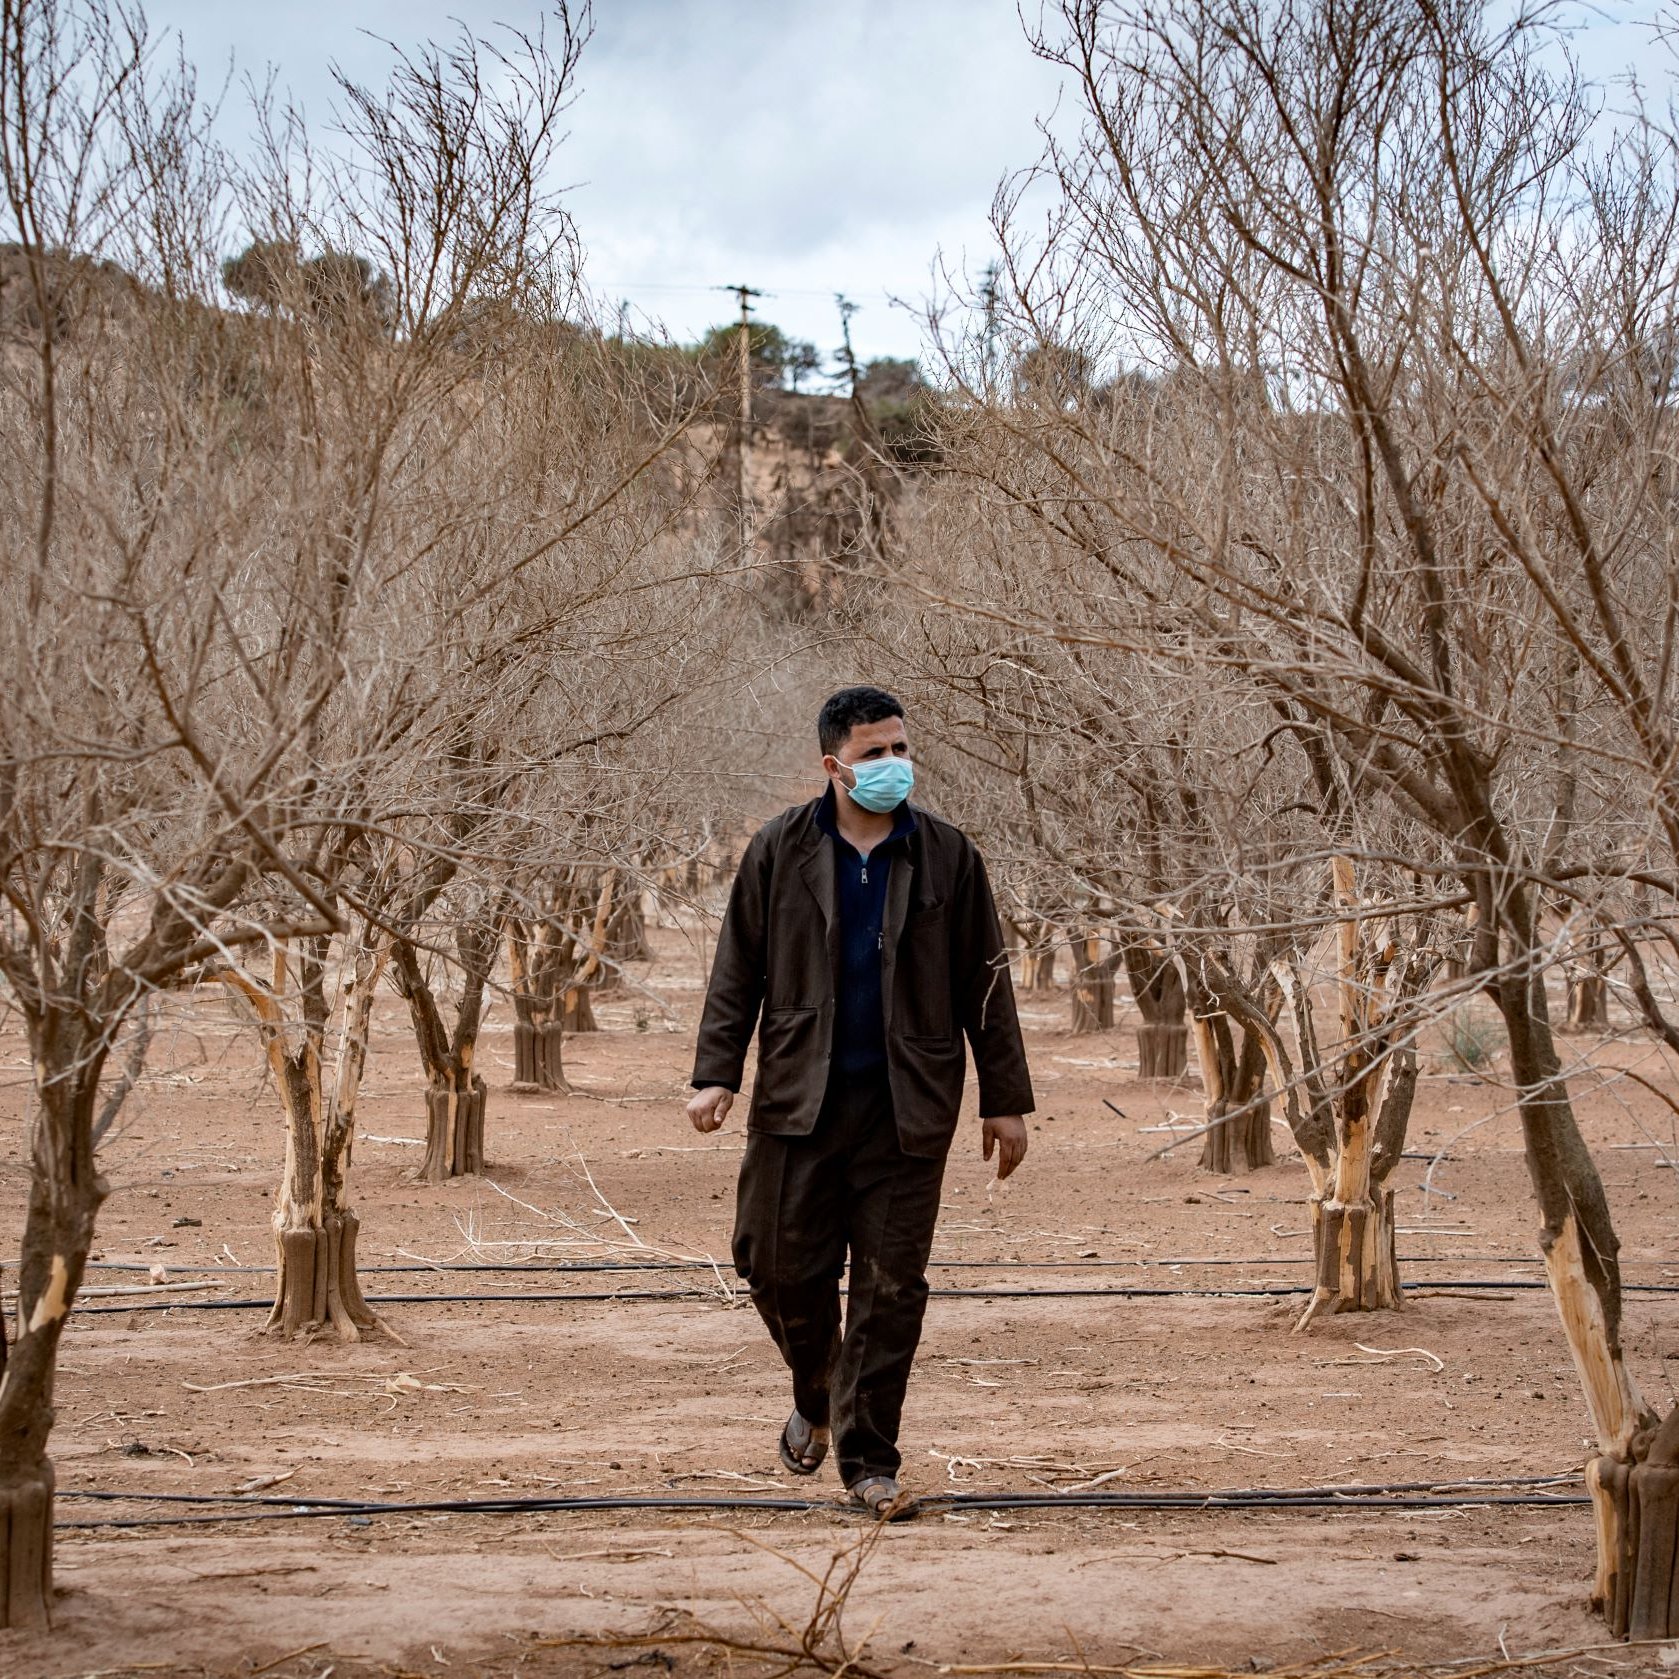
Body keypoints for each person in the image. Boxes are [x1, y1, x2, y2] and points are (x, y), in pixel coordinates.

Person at [686, 685, 1034, 1521]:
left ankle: (869, 1461)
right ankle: (818, 1391)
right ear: (833, 764)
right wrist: (716, 1072)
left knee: (890, 1288)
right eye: (873, 752)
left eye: (900, 749)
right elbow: (737, 966)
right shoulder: (778, 849)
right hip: (797, 1098)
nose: (892, 765)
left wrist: (1004, 1098)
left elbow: (984, 980)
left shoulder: (948, 854)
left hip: (908, 1106)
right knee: (771, 1263)